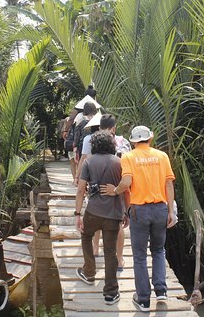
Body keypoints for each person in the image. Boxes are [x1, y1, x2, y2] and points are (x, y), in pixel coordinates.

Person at [101, 125, 176, 313]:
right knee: (159, 250)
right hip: (160, 208)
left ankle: (143, 299)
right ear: (150, 139)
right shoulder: (162, 156)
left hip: (140, 211)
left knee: (140, 255)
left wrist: (114, 191)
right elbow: (168, 184)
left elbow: (126, 182)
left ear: (133, 141)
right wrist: (171, 212)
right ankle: (161, 291)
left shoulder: (128, 157)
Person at [74, 131, 130, 306]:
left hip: (93, 212)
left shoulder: (89, 162)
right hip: (113, 215)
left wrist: (77, 214)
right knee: (110, 252)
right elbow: (126, 188)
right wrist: (126, 212)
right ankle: (111, 292)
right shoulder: (120, 162)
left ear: (94, 145)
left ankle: (89, 271)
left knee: (85, 236)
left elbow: (81, 190)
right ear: (112, 145)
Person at [77, 114, 129, 268]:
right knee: (118, 225)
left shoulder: (92, 139)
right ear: (114, 127)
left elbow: (85, 158)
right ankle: (119, 259)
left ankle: (94, 249)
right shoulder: (123, 142)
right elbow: (128, 171)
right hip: (116, 188)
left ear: (99, 126)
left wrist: (78, 177)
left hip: (96, 187)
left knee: (95, 219)